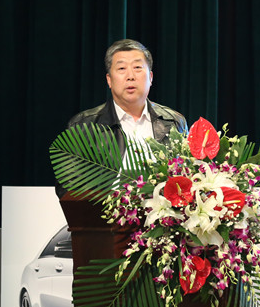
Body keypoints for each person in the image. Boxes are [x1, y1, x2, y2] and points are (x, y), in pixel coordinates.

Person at [56, 39, 187, 198]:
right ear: (109, 80)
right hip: (105, 213)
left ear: (151, 77)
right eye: (122, 68)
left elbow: (187, 178)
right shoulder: (85, 125)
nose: (130, 76)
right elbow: (68, 188)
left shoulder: (173, 122)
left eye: (137, 67)